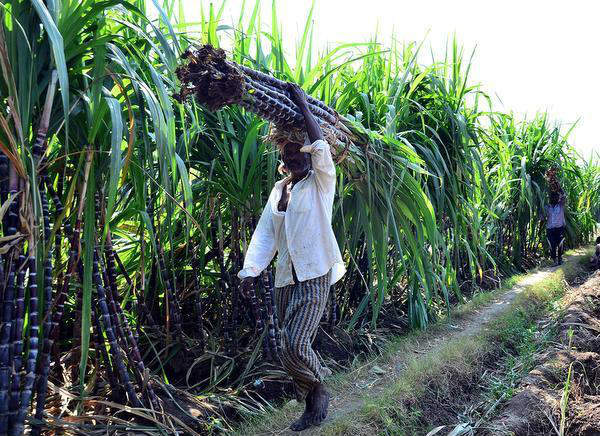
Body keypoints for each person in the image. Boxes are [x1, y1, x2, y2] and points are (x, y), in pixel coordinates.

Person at [238, 83, 345, 431]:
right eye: (289, 154)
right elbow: (266, 234)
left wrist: (302, 104)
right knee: (286, 348)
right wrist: (250, 271)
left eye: (301, 152)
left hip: (315, 271)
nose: (296, 157)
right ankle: (313, 396)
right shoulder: (278, 191)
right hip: (286, 276)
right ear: (282, 159)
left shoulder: (321, 182)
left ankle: (319, 391)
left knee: (296, 341)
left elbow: (321, 148)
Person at [545, 189, 566, 266]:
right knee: (552, 245)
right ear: (550, 198)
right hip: (550, 229)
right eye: (553, 197)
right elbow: (542, 218)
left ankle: (560, 259)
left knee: (560, 244)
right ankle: (554, 260)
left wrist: (560, 189)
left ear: (558, 198)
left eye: (557, 197)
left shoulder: (561, 206)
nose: (555, 199)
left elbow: (564, 197)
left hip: (559, 228)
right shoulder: (546, 207)